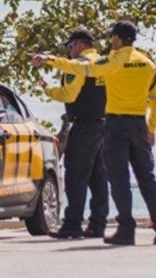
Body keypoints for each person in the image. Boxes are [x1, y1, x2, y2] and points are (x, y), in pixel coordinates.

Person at [32, 20, 156, 246]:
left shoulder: (113, 61)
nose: (110, 41)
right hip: (139, 125)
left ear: (117, 39)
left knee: (119, 180)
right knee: (147, 179)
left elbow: (81, 68)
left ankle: (126, 230)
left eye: (111, 37)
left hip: (116, 125)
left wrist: (49, 60)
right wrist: (152, 127)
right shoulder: (148, 64)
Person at [37, 28, 109, 239]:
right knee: (99, 178)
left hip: (84, 125)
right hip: (105, 126)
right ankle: (98, 224)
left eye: (69, 46)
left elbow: (68, 94)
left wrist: (47, 88)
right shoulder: (104, 63)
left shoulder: (76, 66)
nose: (69, 52)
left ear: (79, 44)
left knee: (76, 176)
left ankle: (72, 224)